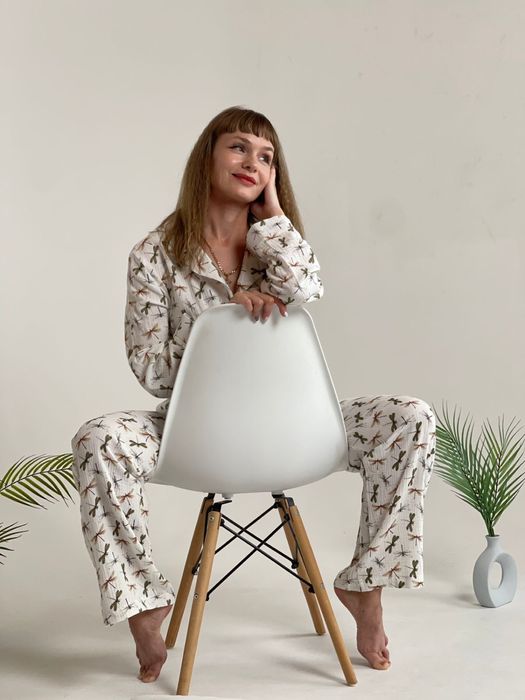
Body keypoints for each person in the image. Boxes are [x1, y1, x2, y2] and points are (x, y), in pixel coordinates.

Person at [71, 105, 436, 684]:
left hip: (296, 430)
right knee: (98, 439)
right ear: (208, 156)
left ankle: (367, 585)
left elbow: (308, 287)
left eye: (267, 157)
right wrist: (224, 324)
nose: (253, 162)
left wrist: (274, 219)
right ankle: (141, 602)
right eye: (239, 147)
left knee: (409, 417)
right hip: (197, 434)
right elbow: (152, 372)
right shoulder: (153, 254)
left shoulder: (275, 247)